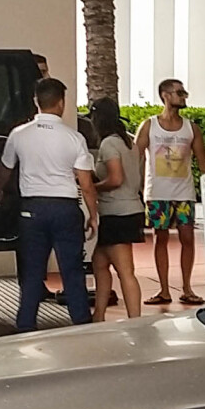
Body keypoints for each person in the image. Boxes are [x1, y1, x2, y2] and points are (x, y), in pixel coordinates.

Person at [0, 79, 95, 330]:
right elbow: (86, 183)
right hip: (65, 209)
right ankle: (81, 322)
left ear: (35, 102)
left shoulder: (19, 134)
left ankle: (26, 325)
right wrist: (93, 214)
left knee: (32, 270)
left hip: (32, 209)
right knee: (72, 269)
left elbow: (4, 170)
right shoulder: (74, 138)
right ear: (62, 102)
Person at [136, 79, 205, 305]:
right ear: (165, 95)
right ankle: (164, 290)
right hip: (157, 193)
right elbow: (134, 156)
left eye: (184, 92)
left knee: (188, 238)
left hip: (184, 193)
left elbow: (203, 162)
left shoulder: (191, 128)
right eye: (179, 93)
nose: (184, 96)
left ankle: (187, 288)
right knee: (161, 238)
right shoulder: (149, 125)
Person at [84, 94, 145, 320]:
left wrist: (93, 186)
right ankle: (98, 314)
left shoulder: (109, 143)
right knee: (100, 263)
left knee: (125, 271)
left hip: (117, 213)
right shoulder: (129, 141)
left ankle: (134, 319)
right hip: (129, 209)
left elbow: (116, 178)